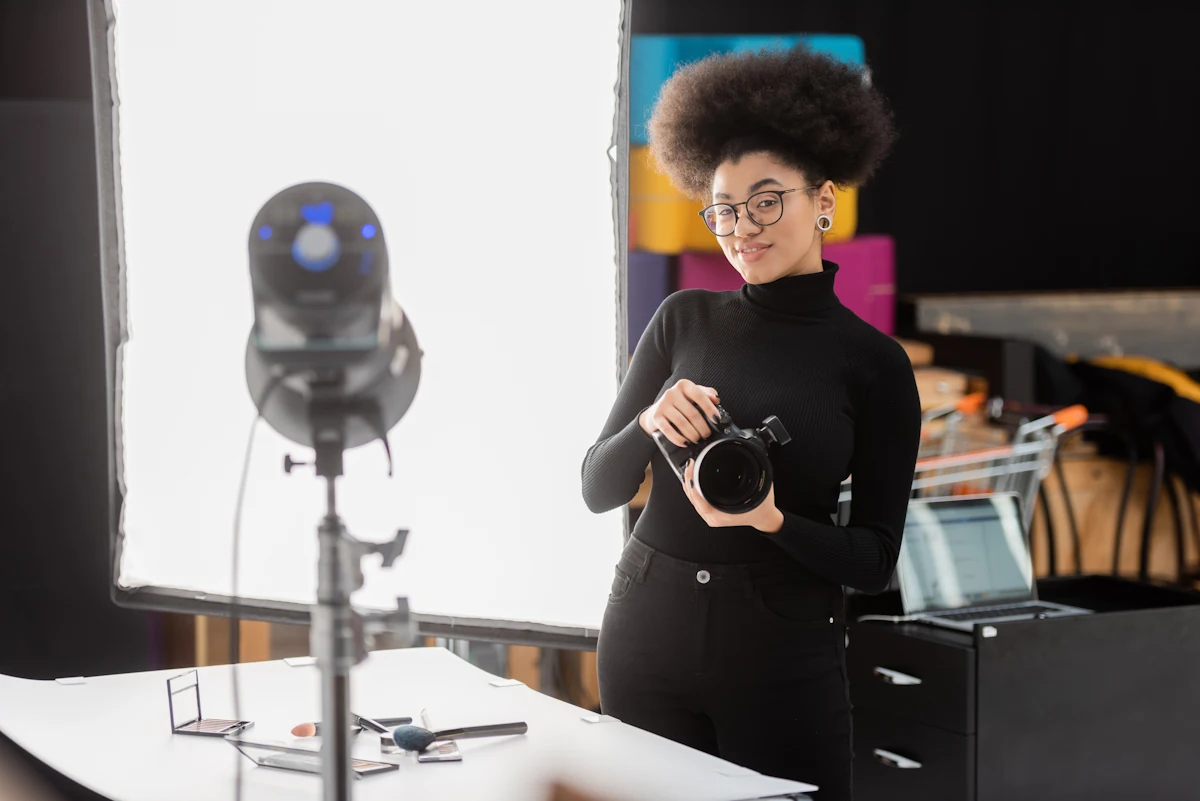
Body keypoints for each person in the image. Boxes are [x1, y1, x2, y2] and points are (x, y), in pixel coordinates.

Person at [581, 45, 921, 800]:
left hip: (782, 652)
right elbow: (597, 488)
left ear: (824, 200)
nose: (742, 228)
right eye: (725, 208)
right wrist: (648, 419)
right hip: (647, 631)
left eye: (767, 201)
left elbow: (873, 560)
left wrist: (772, 521)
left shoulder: (873, 365)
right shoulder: (682, 319)